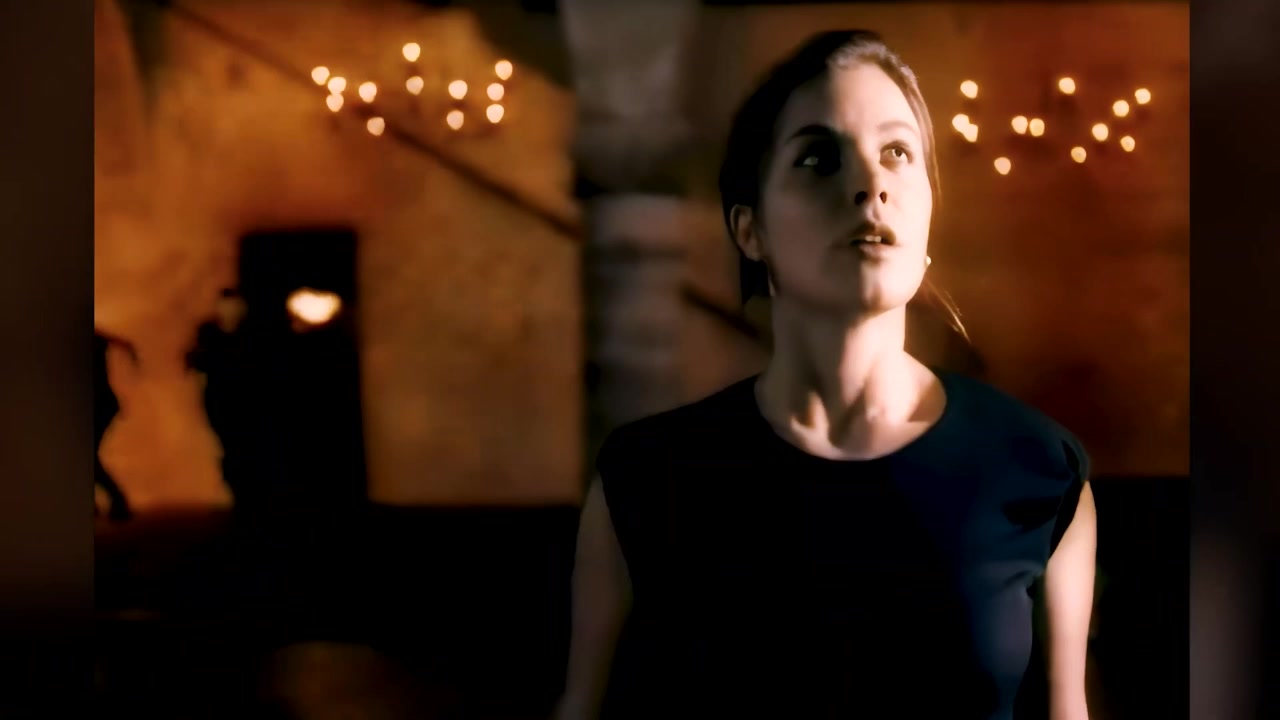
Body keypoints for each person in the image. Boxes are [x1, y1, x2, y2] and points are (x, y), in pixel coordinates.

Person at [558, 31, 1096, 720]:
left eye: (897, 153)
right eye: (818, 158)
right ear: (750, 231)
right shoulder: (645, 479)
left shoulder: (1038, 471)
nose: (870, 185)